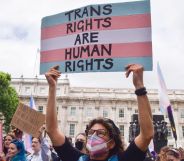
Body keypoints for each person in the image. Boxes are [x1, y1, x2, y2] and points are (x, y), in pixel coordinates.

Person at [45, 64, 154, 161]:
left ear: (111, 143)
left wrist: (139, 87)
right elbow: (51, 130)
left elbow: (147, 135)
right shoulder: (77, 158)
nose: (93, 137)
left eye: (101, 133)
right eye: (91, 133)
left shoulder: (125, 159)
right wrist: (52, 87)